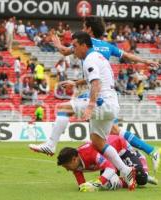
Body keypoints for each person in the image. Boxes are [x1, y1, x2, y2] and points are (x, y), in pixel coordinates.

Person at [51, 16, 161, 174]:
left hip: (99, 95)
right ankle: (149, 152)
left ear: (89, 29)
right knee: (113, 131)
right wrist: (145, 61)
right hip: (107, 92)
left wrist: (56, 42)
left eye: (84, 26)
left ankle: (51, 144)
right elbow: (127, 57)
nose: (82, 29)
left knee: (70, 111)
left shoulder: (86, 44)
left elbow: (64, 51)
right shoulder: (106, 46)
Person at [30, 32, 136, 190]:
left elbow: (96, 83)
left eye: (75, 46)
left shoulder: (89, 59)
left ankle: (51, 145)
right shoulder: (99, 57)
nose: (74, 49)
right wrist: (74, 82)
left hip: (103, 102)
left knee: (64, 108)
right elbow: (96, 79)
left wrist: (90, 105)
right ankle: (125, 170)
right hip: (112, 104)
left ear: (84, 45)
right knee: (98, 143)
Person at [57, 135, 158, 192]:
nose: (67, 169)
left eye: (66, 166)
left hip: (121, 149)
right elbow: (82, 186)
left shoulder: (89, 153)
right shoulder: (75, 167)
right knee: (109, 184)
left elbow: (111, 168)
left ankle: (140, 158)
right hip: (106, 160)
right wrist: (85, 187)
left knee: (142, 180)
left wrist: (96, 183)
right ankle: (129, 177)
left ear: (74, 159)